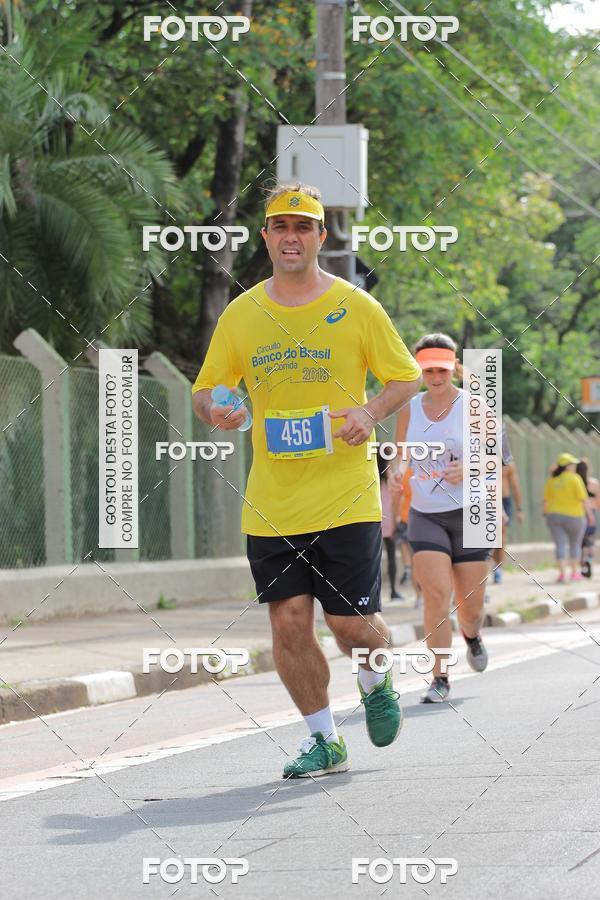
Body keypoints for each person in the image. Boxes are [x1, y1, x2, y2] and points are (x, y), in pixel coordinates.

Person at [191, 184, 422, 777]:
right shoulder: (242, 315)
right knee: (288, 622)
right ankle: (324, 740)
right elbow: (207, 389)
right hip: (271, 501)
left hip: (345, 494)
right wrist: (218, 411)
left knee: (351, 628)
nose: (291, 237)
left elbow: (406, 377)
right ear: (265, 237)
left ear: (322, 236)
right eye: (280, 227)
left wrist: (369, 414)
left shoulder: (357, 307)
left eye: (304, 227)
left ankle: (375, 681)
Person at [391, 333, 490, 704]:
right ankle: (440, 677)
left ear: (455, 368)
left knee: (471, 607)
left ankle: (473, 635)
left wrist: (469, 467)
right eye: (428, 369)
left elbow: (497, 460)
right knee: (435, 595)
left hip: (470, 513)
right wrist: (396, 471)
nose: (435, 376)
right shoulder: (409, 408)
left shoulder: (475, 406)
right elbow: (400, 453)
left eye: (442, 369)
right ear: (419, 369)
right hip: (426, 514)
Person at [543, 453, 593, 582]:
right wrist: (590, 515)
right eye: (573, 464)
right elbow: (583, 499)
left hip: (554, 516)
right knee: (575, 544)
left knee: (560, 544)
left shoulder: (552, 480)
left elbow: (546, 500)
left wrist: (545, 513)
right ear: (567, 466)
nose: (575, 466)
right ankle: (575, 573)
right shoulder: (575, 479)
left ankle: (562, 574)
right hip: (575, 516)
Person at [491, 426, 524, 583]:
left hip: (503, 500)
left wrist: (519, 509)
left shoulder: (509, 465)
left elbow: (516, 486)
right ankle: (492, 564)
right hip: (486, 500)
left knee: (501, 536)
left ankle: (498, 568)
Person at [377, 450, 403, 600]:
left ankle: (377, 594)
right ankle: (394, 590)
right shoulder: (390, 478)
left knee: (376, 560)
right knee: (391, 557)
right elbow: (394, 501)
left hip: (376, 522)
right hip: (389, 522)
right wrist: (395, 521)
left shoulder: (373, 477)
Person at [576, 459, 599, 578]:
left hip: (578, 514)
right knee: (590, 542)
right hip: (592, 515)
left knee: (579, 542)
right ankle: (589, 560)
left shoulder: (575, 482)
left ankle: (581, 565)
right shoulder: (594, 483)